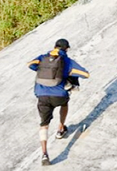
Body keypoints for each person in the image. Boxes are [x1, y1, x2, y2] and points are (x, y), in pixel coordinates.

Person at [28, 38, 90, 166]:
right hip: (59, 95)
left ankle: (44, 154)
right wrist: (67, 75)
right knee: (64, 103)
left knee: (44, 125)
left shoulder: (43, 57)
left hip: (42, 95)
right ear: (66, 49)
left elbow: (30, 64)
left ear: (54, 46)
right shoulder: (66, 60)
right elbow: (85, 74)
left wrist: (44, 70)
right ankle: (61, 128)